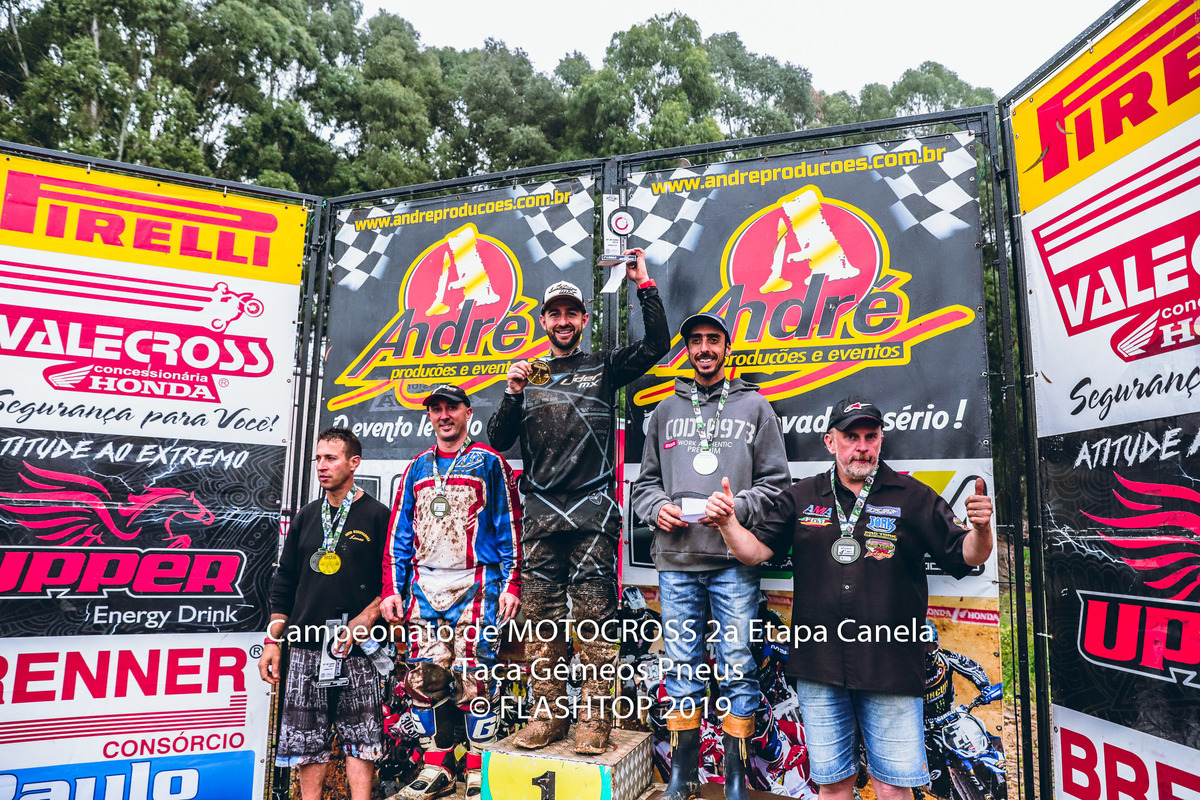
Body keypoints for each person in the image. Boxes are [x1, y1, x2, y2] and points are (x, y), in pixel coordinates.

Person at [705, 395, 994, 800]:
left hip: (891, 667)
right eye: (851, 437)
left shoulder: (914, 496)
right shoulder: (801, 496)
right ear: (830, 442)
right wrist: (728, 523)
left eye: (870, 437)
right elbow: (754, 552)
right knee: (833, 785)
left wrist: (981, 530)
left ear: (881, 440)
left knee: (893, 788)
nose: (861, 447)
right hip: (819, 667)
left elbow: (967, 555)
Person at [488, 247, 670, 753]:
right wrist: (511, 391)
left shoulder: (603, 365)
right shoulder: (531, 374)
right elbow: (498, 439)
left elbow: (657, 344)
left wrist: (644, 284)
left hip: (593, 515)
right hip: (541, 517)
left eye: (572, 313)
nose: (563, 321)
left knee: (594, 626)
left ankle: (594, 724)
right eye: (555, 314)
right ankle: (546, 719)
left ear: (584, 320)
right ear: (544, 321)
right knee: (540, 625)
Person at [630, 311, 790, 800]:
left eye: (713, 340)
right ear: (688, 349)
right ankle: (683, 774)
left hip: (732, 563)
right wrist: (656, 508)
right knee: (681, 666)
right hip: (676, 563)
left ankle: (736, 777)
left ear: (726, 347)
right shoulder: (664, 410)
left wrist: (736, 507)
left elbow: (776, 485)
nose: (704, 347)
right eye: (696, 340)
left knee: (738, 665)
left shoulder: (756, 407)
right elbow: (644, 485)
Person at [381, 384, 522, 800]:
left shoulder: (489, 463)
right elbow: (399, 534)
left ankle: (478, 770)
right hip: (424, 586)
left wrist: (512, 582)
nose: (444, 415)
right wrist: (392, 588)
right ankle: (436, 767)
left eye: (451, 408)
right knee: (424, 677)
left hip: (477, 583)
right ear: (429, 416)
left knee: (474, 676)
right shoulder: (416, 467)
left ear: (467, 412)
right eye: (436, 409)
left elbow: (510, 524)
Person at [260, 427, 391, 800]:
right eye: (318, 458)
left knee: (363, 740)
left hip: (359, 648)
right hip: (305, 646)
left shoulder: (378, 515)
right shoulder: (306, 516)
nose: (321, 465)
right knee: (306, 742)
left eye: (330, 458)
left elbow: (393, 581)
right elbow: (284, 582)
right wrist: (272, 641)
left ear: (354, 463)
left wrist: (367, 617)